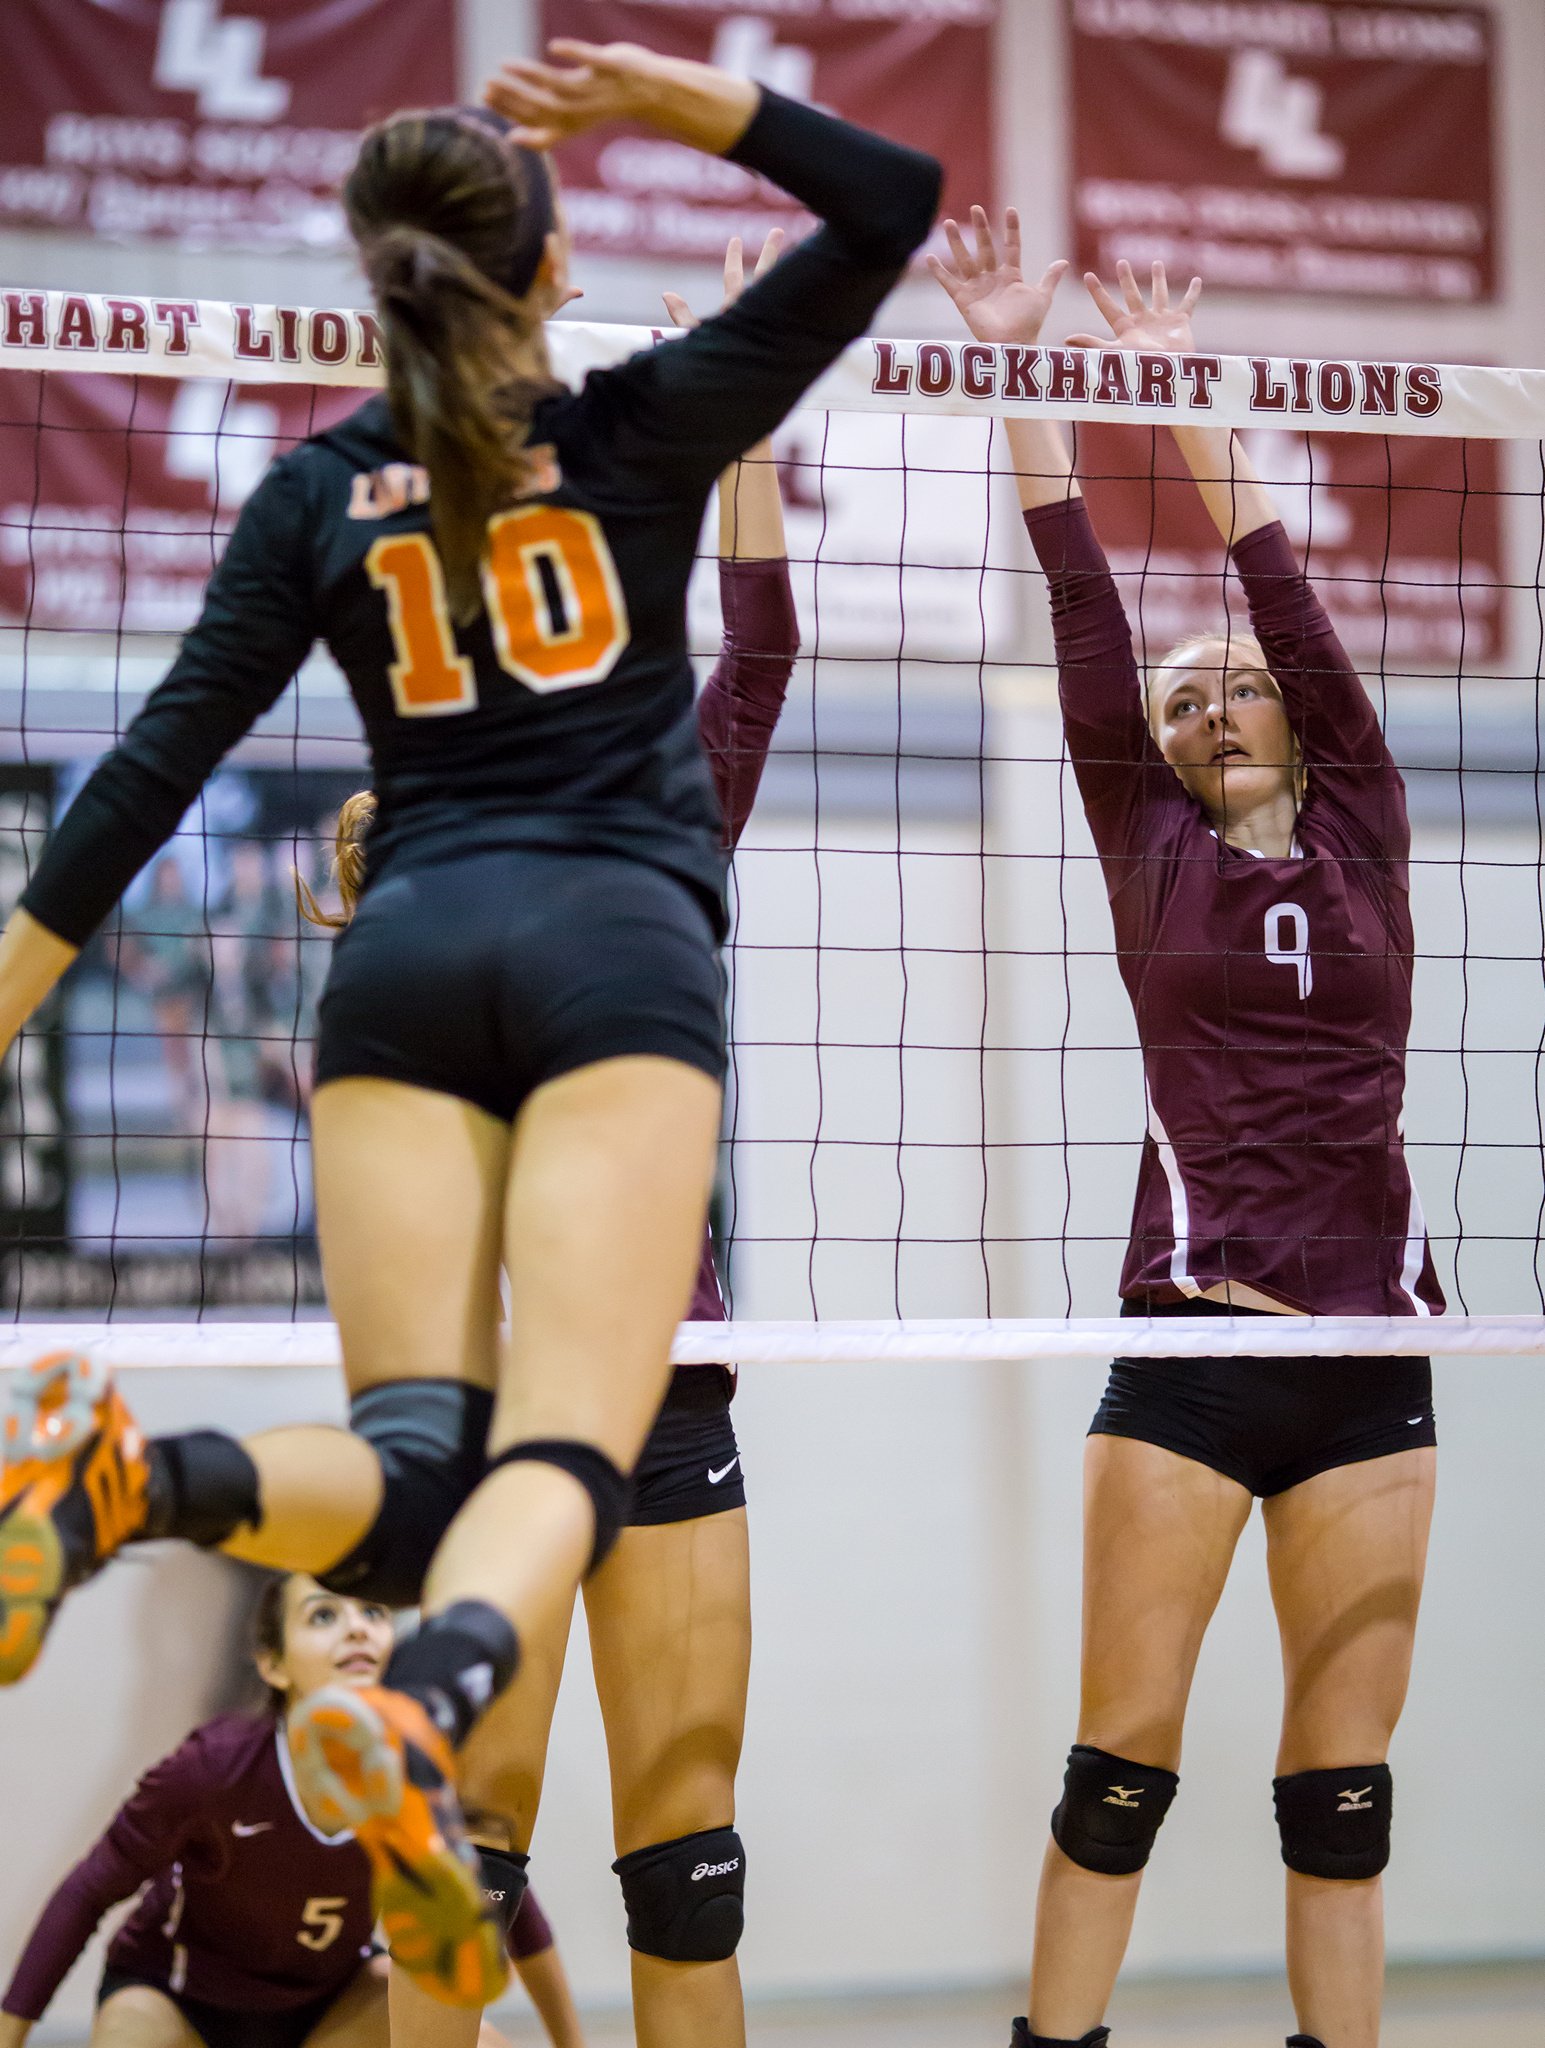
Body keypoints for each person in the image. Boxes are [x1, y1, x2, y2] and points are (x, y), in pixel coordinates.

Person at [0, 39, 940, 2008]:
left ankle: (136, 1484)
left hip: (403, 955)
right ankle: (426, 1700)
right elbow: (894, 199)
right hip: (608, 955)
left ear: (374, 277)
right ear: (551, 250)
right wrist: (682, 102)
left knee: (419, 1453)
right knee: (565, 1459)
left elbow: (144, 781)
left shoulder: (315, 492)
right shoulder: (645, 421)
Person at [931, 219, 1440, 2048]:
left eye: (1237, 682)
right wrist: (1020, 362)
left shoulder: (1368, 811)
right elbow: (1083, 599)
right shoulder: (1142, 840)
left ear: (1298, 717)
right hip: (1195, 1341)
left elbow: (1274, 577)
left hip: (1381, 1347)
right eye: (1181, 692)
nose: (1210, 695)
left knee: (1343, 1793)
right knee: (1120, 1767)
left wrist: (1171, 381)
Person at [310, 231, 797, 2048]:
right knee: (463, 1863)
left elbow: (758, 648)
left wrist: (730, 399)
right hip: (479, 1411)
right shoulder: (402, 906)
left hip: (667, 1385)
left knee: (686, 1869)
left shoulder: (650, 834)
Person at [0, 1575, 583, 2048]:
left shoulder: (423, 1768)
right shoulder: (211, 1769)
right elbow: (85, 1894)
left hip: (330, 2006)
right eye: (324, 1616)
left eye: (373, 1614)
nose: (356, 1628)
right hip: (177, 2000)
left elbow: (503, 1905)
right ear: (274, 1665)